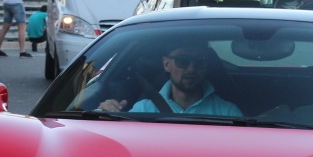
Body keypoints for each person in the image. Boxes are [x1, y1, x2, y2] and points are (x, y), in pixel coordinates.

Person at [100, 43, 242, 116]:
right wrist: (102, 113)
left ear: (205, 66)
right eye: (182, 61)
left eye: (199, 61)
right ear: (166, 64)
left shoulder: (228, 113)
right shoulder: (144, 109)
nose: (191, 68)